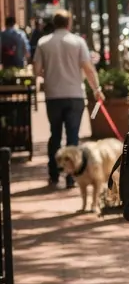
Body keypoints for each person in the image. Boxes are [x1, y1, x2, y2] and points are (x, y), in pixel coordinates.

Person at [33, 11, 103, 189]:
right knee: (73, 136)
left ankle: (54, 175)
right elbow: (88, 68)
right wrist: (97, 89)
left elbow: (36, 70)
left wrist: (48, 75)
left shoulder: (43, 43)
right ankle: (73, 176)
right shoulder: (78, 42)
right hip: (74, 95)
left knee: (55, 135)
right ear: (69, 23)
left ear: (54, 23)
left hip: (53, 95)